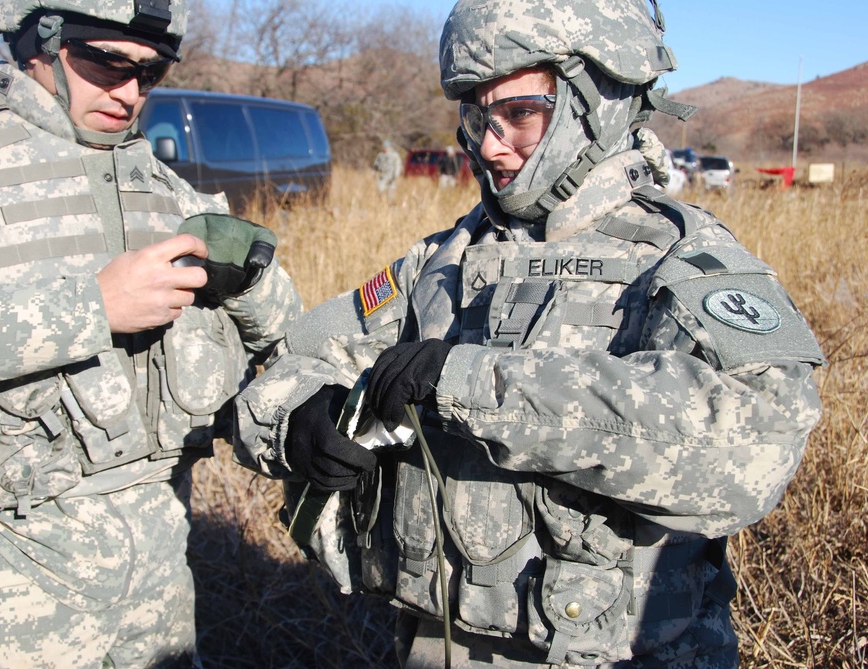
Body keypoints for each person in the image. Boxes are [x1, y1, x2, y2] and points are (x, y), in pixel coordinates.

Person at [233, 1, 825, 667]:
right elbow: (297, 359)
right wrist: (299, 420)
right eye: (477, 115)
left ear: (594, 102)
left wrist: (472, 383)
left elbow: (759, 442)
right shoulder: (444, 260)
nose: (488, 143)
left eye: (518, 113)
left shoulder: (679, 259)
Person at [0, 0, 302, 666]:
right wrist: (89, 307)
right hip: (6, 598)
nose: (130, 91)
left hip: (160, 592)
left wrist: (253, 285)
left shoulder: (164, 189)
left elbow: (287, 345)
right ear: (38, 45)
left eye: (150, 71)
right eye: (105, 61)